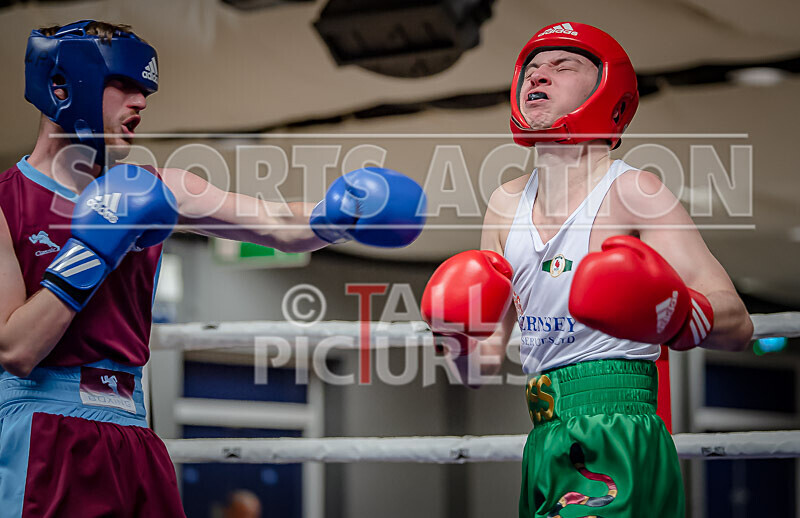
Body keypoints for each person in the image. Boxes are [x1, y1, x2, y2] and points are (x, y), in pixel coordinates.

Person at [0, 20, 426, 517]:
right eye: (124, 84)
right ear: (62, 84)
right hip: (43, 430)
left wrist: (342, 215)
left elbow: (275, 222)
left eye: (145, 90)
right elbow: (17, 349)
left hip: (133, 432)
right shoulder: (7, 202)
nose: (141, 102)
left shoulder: (157, 188)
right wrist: (92, 249)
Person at [422, 22, 753, 517]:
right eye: (533, 68)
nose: (539, 75)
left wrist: (676, 314)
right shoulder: (504, 204)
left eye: (563, 66)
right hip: (543, 436)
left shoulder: (634, 191)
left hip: (617, 424)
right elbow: (481, 368)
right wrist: (454, 336)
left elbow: (738, 324)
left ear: (609, 93)